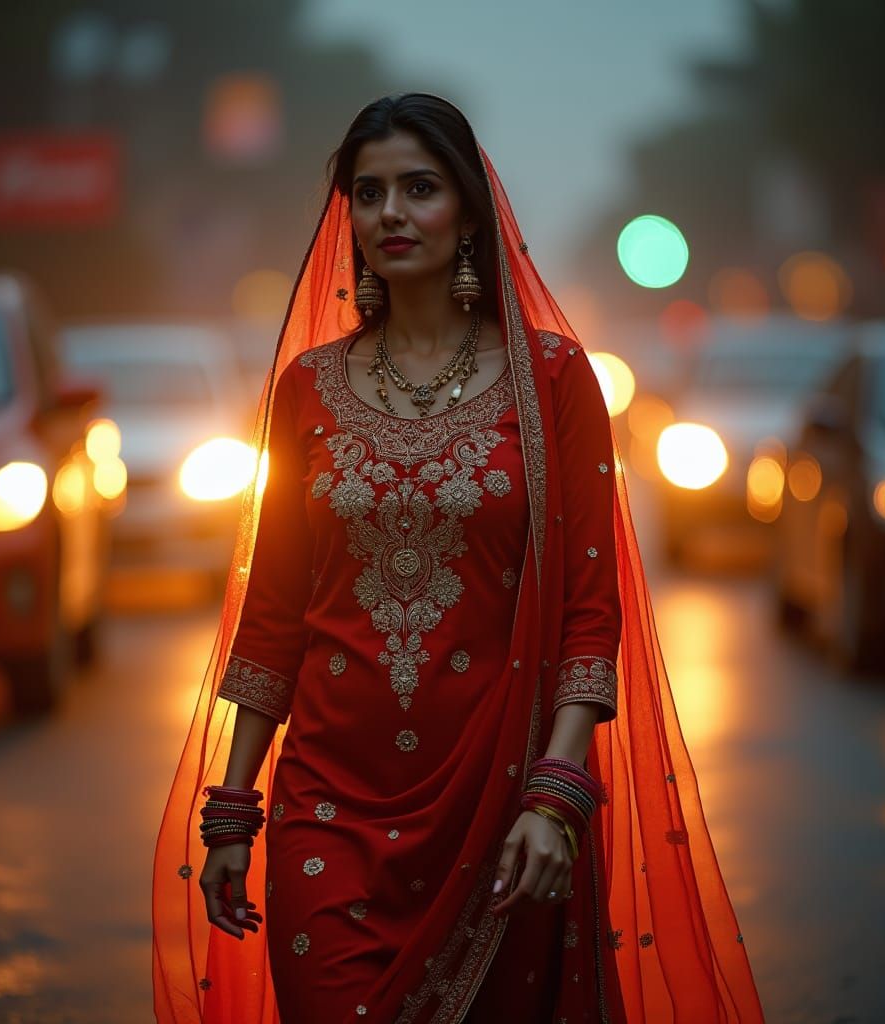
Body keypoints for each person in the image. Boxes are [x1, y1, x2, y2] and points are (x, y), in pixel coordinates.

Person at [152, 93, 765, 1024]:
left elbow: (588, 615)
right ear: (347, 217)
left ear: (470, 212)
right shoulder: (308, 391)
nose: (391, 212)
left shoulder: (555, 382)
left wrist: (556, 796)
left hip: (499, 806)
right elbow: (274, 616)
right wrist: (235, 802)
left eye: (419, 188)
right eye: (369, 193)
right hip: (327, 807)